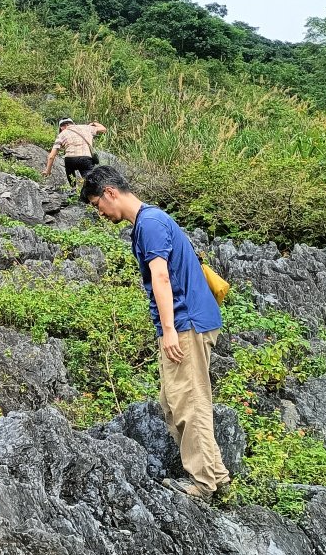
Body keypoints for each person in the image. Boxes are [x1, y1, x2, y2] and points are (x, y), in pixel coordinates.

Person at [80, 165, 230, 500]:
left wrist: (169, 331)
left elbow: (160, 278)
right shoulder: (149, 221)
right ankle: (216, 475)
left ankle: (205, 485)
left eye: (97, 205)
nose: (100, 213)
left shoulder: (148, 223)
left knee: (188, 403)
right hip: (186, 321)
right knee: (174, 402)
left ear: (109, 193)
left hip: (185, 322)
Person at [44, 117, 106, 186]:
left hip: (70, 159)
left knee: (70, 174)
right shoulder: (86, 128)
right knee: (89, 180)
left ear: (61, 127)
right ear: (72, 123)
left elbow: (51, 156)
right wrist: (93, 123)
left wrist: (48, 171)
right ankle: (89, 190)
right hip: (85, 158)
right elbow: (103, 129)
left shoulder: (61, 134)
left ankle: (73, 188)